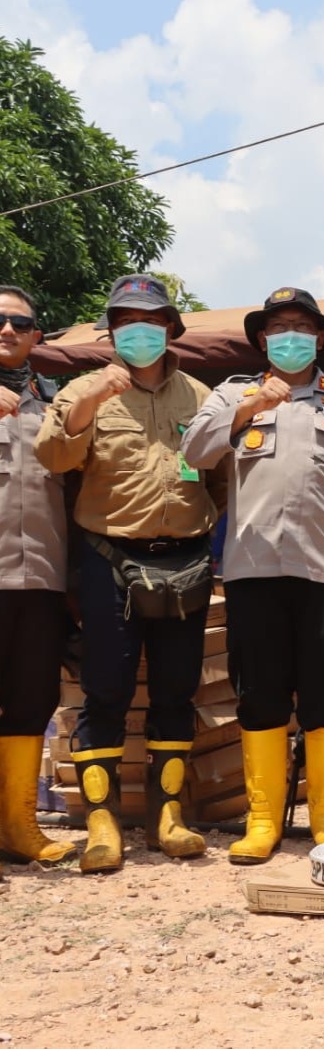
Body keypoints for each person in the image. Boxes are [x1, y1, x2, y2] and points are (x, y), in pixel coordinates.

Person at [181, 286, 324, 863]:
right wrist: (248, 409)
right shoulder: (231, 394)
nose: (291, 336)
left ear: (321, 338)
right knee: (260, 692)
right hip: (253, 571)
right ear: (261, 339)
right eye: (279, 327)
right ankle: (262, 820)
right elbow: (193, 452)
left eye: (303, 326)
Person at [36, 274, 227, 873]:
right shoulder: (81, 390)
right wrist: (91, 403)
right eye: (123, 321)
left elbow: (221, 476)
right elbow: (53, 457)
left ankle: (167, 816)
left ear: (170, 327)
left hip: (185, 559)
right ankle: (101, 823)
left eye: (149, 320)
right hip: (108, 559)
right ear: (112, 331)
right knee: (107, 689)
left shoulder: (202, 395)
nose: (136, 331)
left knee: (176, 687)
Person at [0, 285, 75, 867]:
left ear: (36, 336)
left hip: (42, 578)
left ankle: (20, 826)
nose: (6, 331)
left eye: (19, 322)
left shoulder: (58, 405)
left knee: (31, 699)